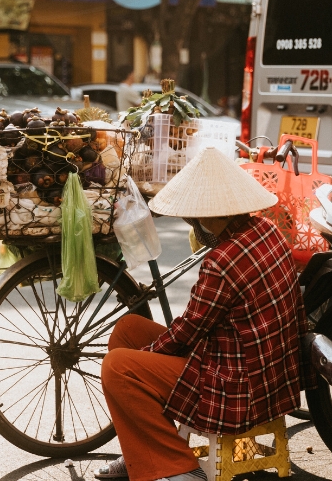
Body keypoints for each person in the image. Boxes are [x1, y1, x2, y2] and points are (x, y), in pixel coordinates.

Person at [96, 147, 313, 481]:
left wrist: (143, 358)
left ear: (213, 217)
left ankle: (178, 470)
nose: (193, 226)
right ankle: (143, 451)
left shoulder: (221, 261)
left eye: (194, 220)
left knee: (117, 368)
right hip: (268, 373)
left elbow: (188, 330)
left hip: (238, 388)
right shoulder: (268, 231)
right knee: (127, 329)